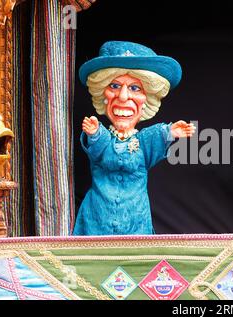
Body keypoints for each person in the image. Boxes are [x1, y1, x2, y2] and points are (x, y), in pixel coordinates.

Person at [73, 41, 195, 235]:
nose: (123, 97)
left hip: (135, 219)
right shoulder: (103, 135)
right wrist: (95, 134)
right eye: (114, 85)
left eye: (135, 88)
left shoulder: (144, 141)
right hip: (97, 216)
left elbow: (155, 137)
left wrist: (171, 132)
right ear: (102, 93)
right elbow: (99, 151)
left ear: (148, 97)